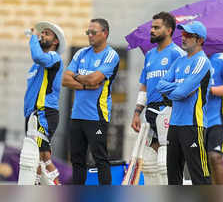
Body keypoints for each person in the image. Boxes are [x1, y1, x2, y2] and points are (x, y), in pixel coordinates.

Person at [62, 18, 120, 185]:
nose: (90, 35)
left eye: (94, 32)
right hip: (77, 115)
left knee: (100, 159)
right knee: (77, 160)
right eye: (88, 32)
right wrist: (85, 84)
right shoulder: (81, 53)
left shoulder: (110, 55)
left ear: (105, 33)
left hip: (96, 116)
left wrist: (77, 76)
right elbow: (65, 80)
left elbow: (95, 78)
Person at [131, 11, 186, 185]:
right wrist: (137, 112)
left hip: (168, 110)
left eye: (156, 27)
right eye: (151, 27)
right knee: (148, 164)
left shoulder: (177, 54)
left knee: (165, 163)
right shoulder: (150, 55)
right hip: (150, 111)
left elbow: (182, 86)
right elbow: (144, 85)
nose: (152, 30)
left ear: (169, 30)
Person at [157, 20, 212, 185]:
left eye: (188, 35)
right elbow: (160, 85)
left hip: (193, 124)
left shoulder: (202, 61)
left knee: (199, 175)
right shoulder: (179, 61)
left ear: (200, 40)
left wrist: (177, 88)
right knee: (172, 176)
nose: (183, 38)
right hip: (174, 124)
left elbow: (181, 93)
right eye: (182, 34)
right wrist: (181, 85)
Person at [19, 21, 66, 185]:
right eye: (42, 33)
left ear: (55, 41)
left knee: (44, 156)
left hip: (44, 112)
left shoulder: (54, 57)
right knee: (35, 157)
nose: (42, 35)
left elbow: (38, 55)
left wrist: (32, 37)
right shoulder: (35, 66)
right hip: (33, 114)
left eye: (47, 34)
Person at [205, 53, 223, 184]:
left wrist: (209, 90)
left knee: (215, 157)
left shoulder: (222, 59)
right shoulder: (194, 59)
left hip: (218, 119)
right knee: (202, 163)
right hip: (198, 120)